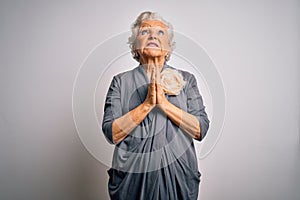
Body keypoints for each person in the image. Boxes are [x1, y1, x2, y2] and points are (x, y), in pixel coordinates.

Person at [102, 11, 209, 200]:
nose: (152, 36)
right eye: (145, 32)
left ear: (168, 48)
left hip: (178, 178)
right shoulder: (120, 82)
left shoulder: (187, 80)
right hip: (132, 181)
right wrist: (148, 104)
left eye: (160, 33)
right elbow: (112, 132)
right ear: (135, 47)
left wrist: (164, 104)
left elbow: (201, 129)